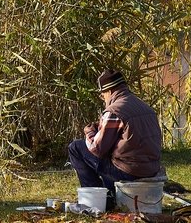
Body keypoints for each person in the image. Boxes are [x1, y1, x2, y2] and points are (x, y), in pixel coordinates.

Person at [67, 70, 163, 210]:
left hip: (129, 172)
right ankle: (108, 194)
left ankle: (97, 200)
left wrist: (90, 131)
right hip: (151, 169)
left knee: (76, 147)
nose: (103, 98)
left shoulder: (114, 111)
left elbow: (97, 149)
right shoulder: (144, 106)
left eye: (102, 94)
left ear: (109, 91)